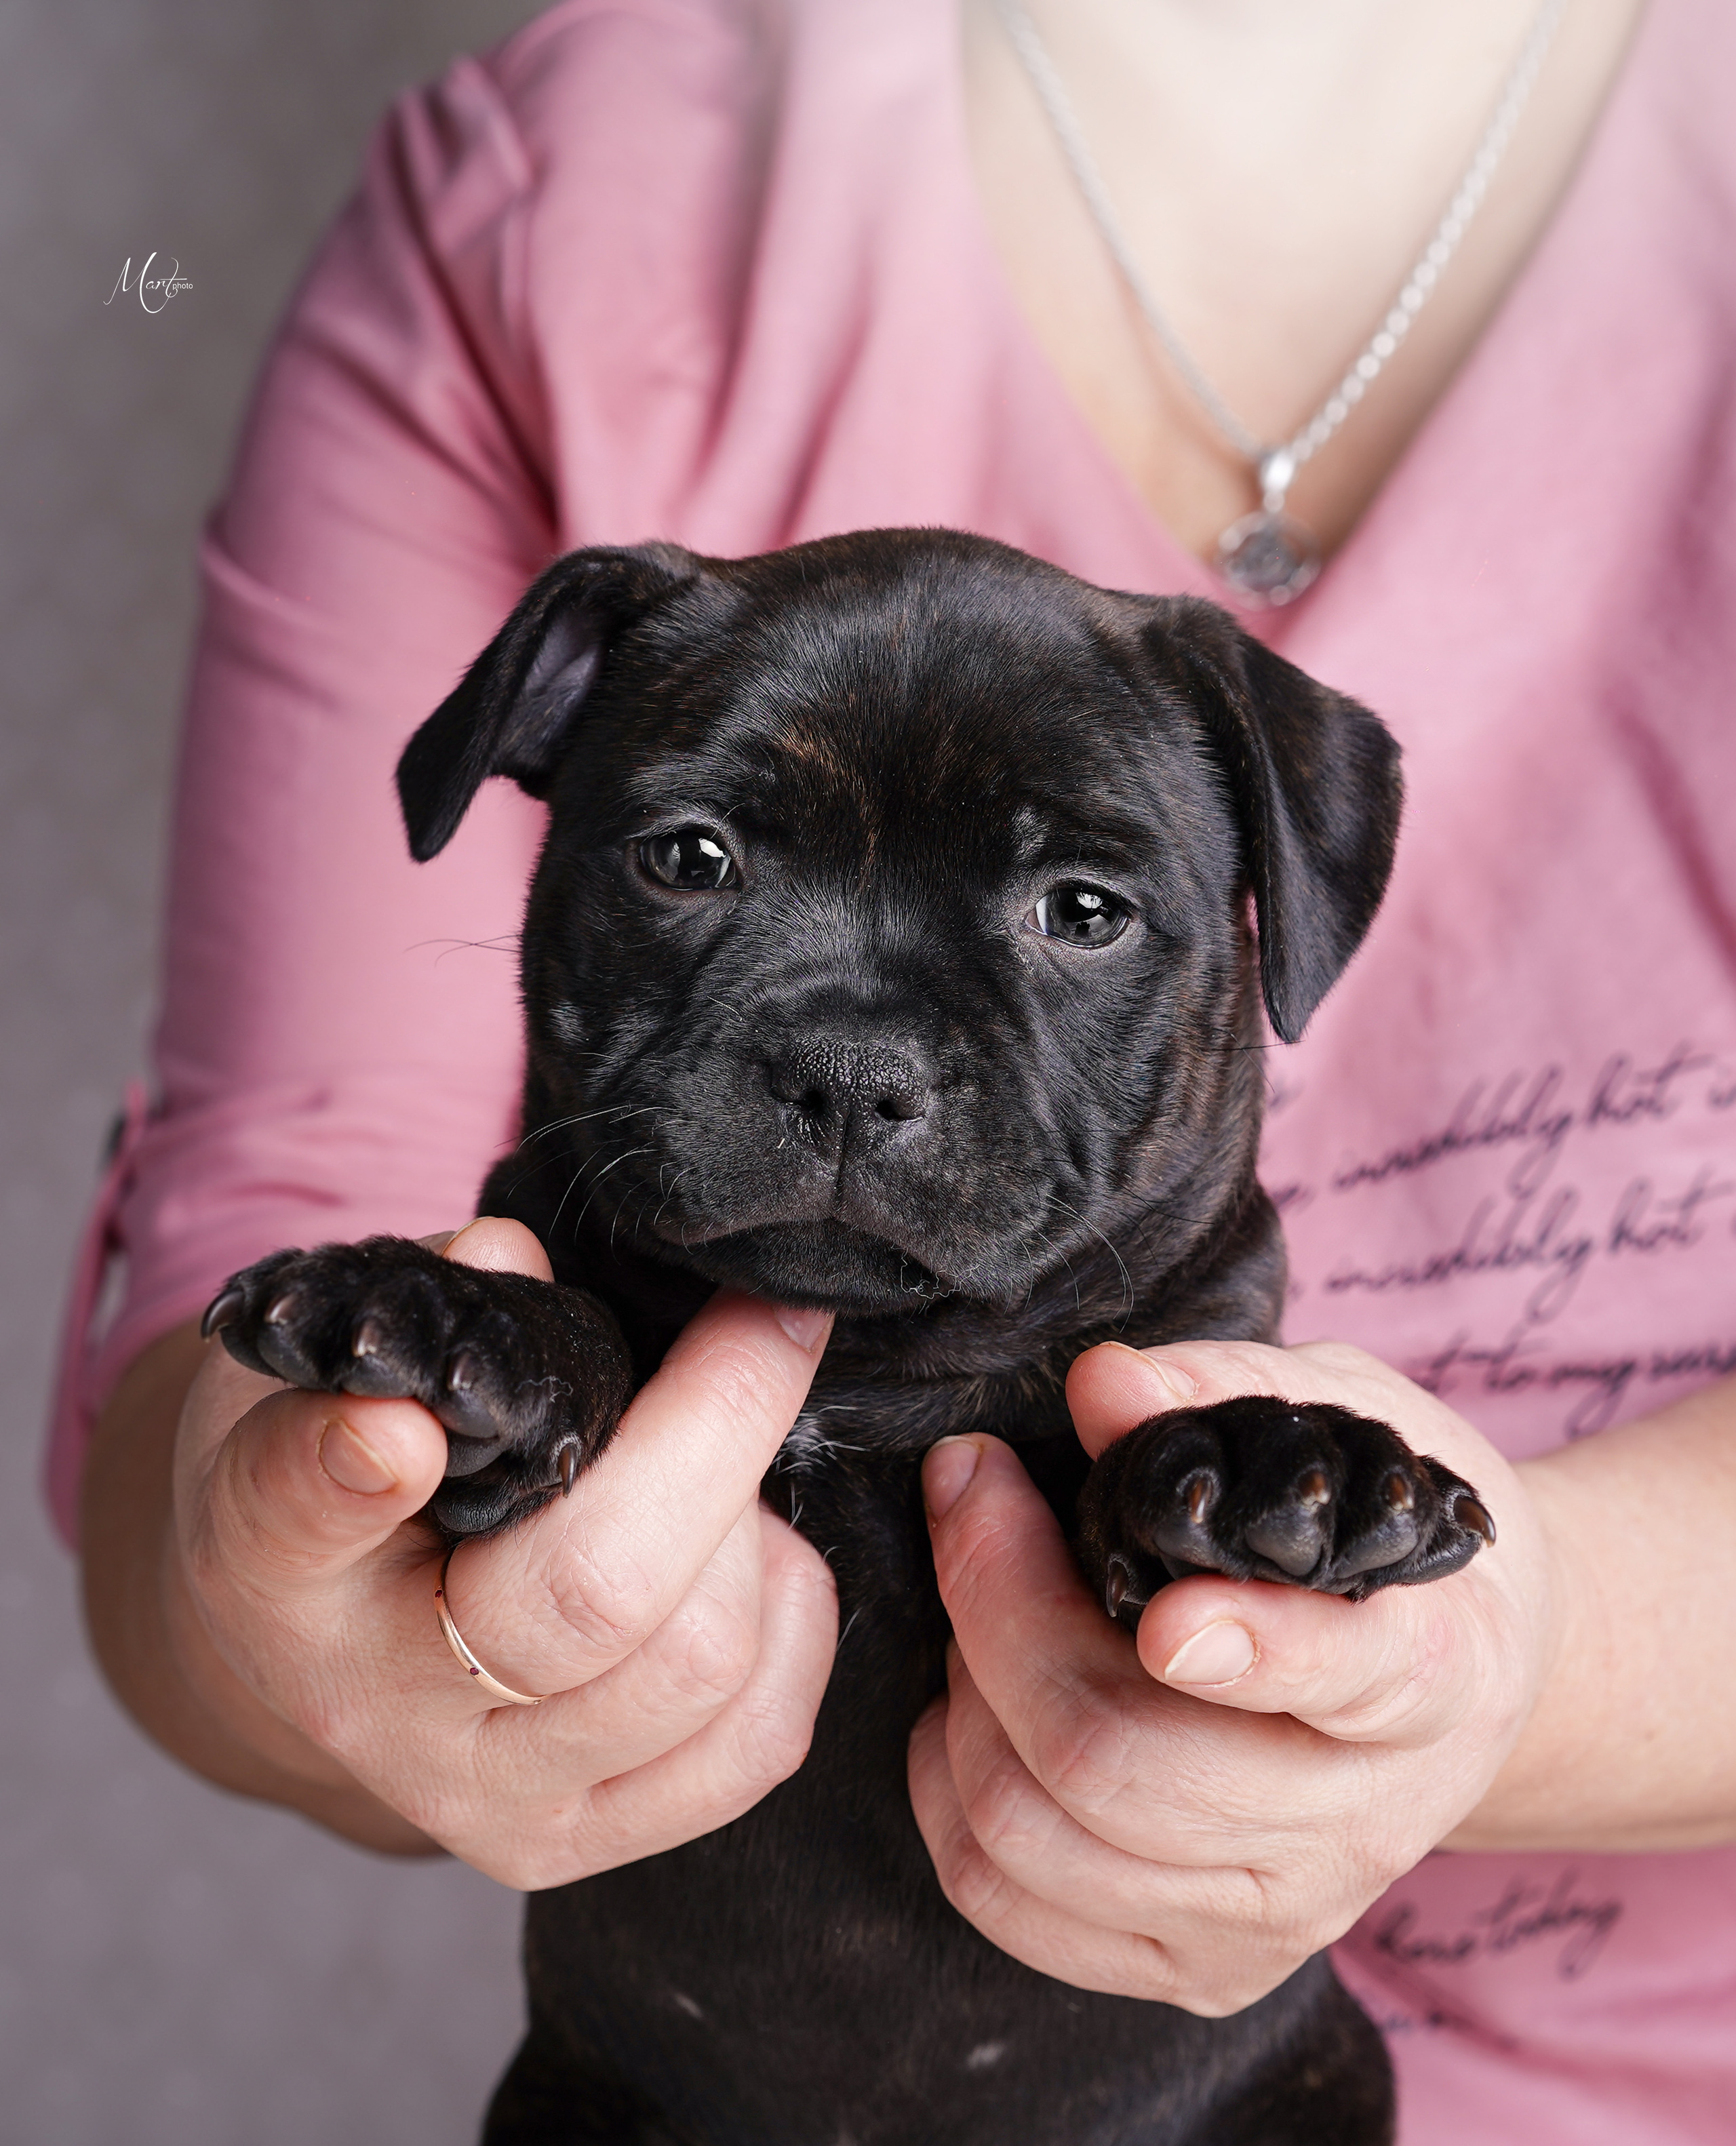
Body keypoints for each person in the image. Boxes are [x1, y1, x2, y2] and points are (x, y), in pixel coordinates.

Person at [54, 0, 1736, 2138]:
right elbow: (229, 1308)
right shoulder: (554, 206)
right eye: (693, 859)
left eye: (1080, 910)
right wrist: (287, 1531)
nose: (855, 1053)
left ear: (1269, 907)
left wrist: (1457, 1622)